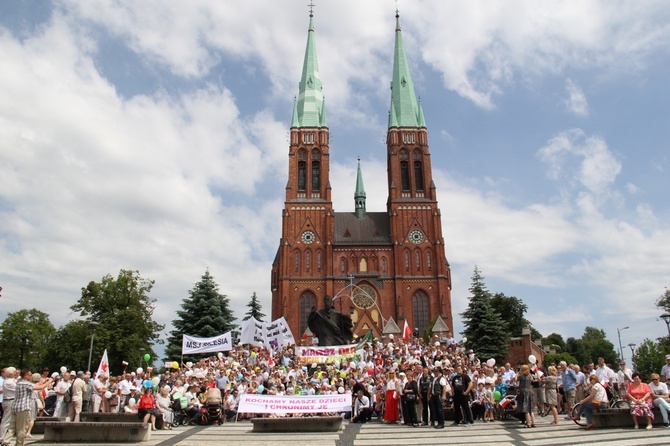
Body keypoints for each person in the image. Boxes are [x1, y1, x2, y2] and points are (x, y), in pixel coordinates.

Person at [2, 369, 52, 446]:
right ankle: (19, 444)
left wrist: (44, 382)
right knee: (21, 428)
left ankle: (5, 441)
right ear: (26, 375)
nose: (31, 376)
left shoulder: (18, 383)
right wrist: (49, 381)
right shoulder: (26, 383)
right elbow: (40, 387)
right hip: (23, 408)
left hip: (15, 407)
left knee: (12, 427)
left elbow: (37, 385)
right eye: (30, 374)